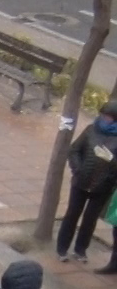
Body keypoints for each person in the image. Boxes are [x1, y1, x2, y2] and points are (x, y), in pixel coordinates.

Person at [58, 99, 117, 262]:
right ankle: (62, 248)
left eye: (109, 117)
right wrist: (78, 169)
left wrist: (111, 160)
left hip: (103, 187)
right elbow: (75, 150)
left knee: (90, 219)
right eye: (104, 115)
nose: (105, 119)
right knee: (72, 214)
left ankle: (80, 249)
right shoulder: (91, 130)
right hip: (81, 181)